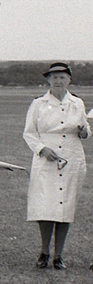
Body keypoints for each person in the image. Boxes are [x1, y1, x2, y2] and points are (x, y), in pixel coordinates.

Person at [23, 62, 89, 269]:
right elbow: (29, 133)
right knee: (46, 207)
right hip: (47, 159)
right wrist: (42, 149)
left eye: (62, 77)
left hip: (71, 157)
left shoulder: (77, 103)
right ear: (48, 80)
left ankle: (58, 256)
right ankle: (44, 252)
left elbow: (85, 129)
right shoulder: (38, 104)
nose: (58, 81)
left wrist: (84, 132)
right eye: (54, 77)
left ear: (69, 80)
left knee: (65, 208)